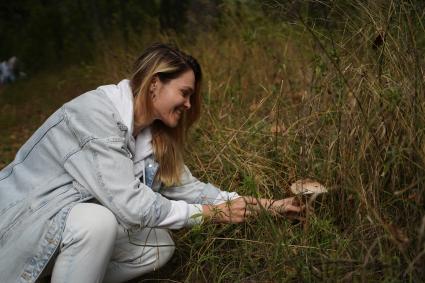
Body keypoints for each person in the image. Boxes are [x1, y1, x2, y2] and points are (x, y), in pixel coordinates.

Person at [0, 43, 303, 283]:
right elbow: (132, 205)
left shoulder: (152, 138)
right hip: (21, 228)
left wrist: (272, 207)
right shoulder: (94, 116)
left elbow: (196, 192)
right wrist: (210, 215)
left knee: (157, 246)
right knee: (98, 222)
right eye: (184, 93)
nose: (188, 104)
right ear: (155, 84)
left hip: (63, 232)